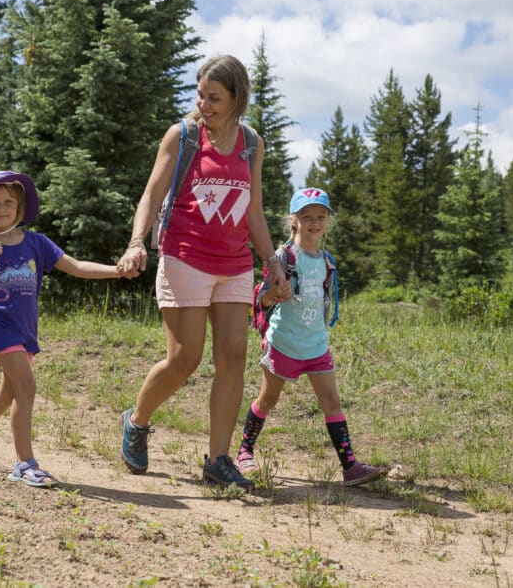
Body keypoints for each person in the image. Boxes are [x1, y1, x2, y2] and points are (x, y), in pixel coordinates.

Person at [116, 54, 289, 492]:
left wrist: (273, 264)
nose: (204, 105)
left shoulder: (251, 143)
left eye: (214, 98)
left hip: (234, 265)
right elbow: (151, 196)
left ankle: (218, 460)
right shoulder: (183, 135)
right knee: (184, 358)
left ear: (236, 99)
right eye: (201, 95)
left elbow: (253, 212)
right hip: (185, 257)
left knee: (233, 355)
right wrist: (137, 243)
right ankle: (137, 421)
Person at [0, 170, 129, 487]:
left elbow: (75, 267)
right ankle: (24, 464)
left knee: (9, 393)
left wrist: (116, 271)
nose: (1, 208)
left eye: (8, 202)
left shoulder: (36, 242)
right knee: (26, 388)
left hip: (26, 330)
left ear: (20, 206)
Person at [236, 187, 387, 487]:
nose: (314, 222)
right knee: (268, 398)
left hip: (316, 345)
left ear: (328, 221)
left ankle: (350, 467)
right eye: (307, 217)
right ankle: (244, 452)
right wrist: (274, 296)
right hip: (284, 344)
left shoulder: (326, 261)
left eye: (320, 216)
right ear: (294, 220)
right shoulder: (283, 256)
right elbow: (261, 300)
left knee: (332, 401)